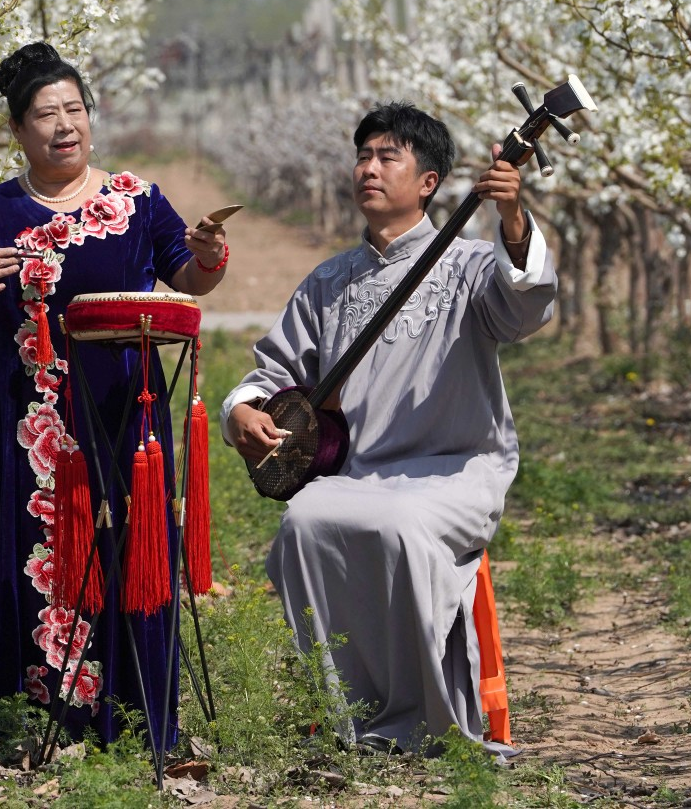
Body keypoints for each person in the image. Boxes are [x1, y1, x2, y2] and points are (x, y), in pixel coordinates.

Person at [0, 42, 228, 745]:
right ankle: (22, 720)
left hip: (124, 417)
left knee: (124, 554)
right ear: (18, 131)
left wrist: (206, 254)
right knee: (31, 555)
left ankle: (130, 719)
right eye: (45, 114)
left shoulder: (137, 201)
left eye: (74, 109)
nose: (64, 125)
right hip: (30, 425)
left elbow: (191, 276)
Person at [221, 101, 556, 759]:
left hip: (456, 469)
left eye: (387, 157)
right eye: (363, 156)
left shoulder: (468, 264)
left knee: (399, 524)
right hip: (361, 471)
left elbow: (524, 307)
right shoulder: (329, 281)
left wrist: (512, 217)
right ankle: (346, 713)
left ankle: (429, 722)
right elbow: (273, 368)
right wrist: (242, 411)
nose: (368, 169)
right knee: (305, 520)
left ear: (428, 182)